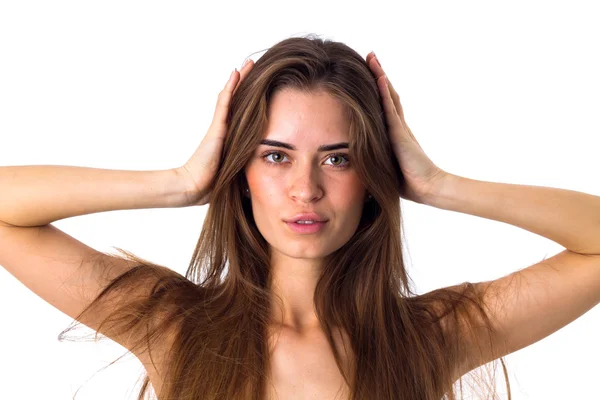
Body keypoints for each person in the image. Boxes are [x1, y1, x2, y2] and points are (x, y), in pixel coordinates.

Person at [1, 34, 599, 400]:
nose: (306, 189)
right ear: (241, 171)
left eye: (337, 158)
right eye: (276, 156)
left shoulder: (428, 339)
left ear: (371, 174)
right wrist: (179, 184)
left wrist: (437, 185)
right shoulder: (173, 326)